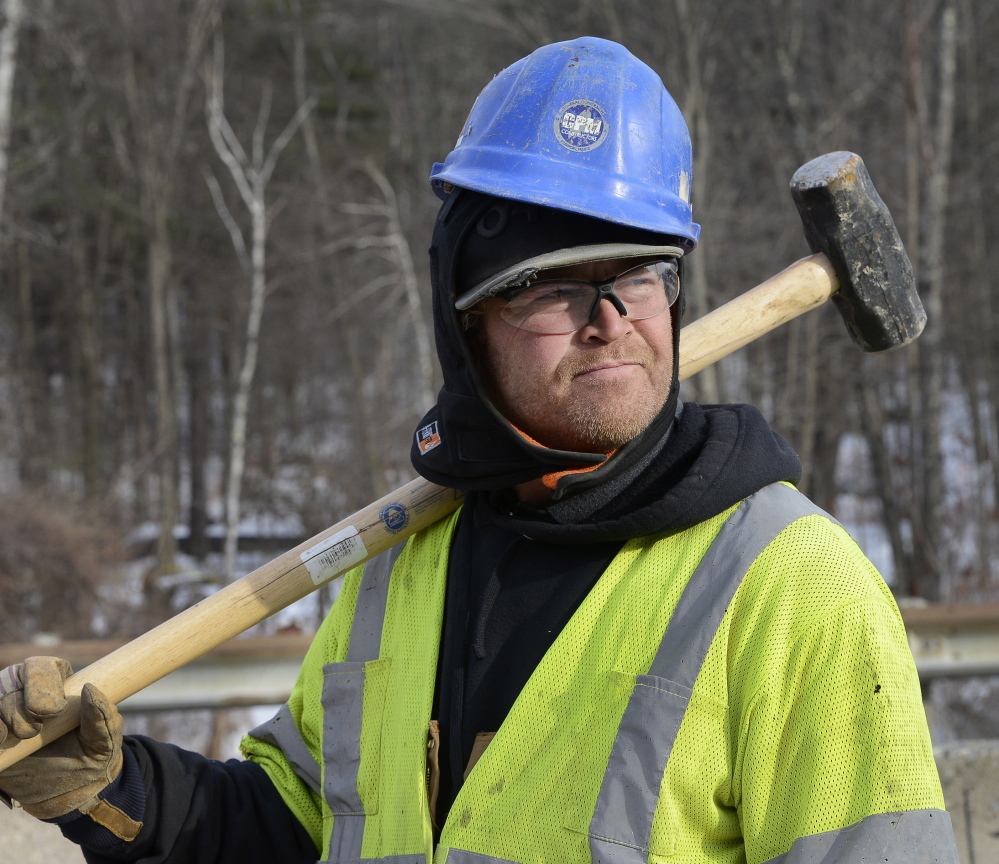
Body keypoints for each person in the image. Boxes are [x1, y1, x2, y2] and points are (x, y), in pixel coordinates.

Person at [0, 37, 959, 864]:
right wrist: (105, 786)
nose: (612, 321)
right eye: (551, 287)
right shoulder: (398, 570)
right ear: (465, 324)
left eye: (640, 272)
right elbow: (295, 830)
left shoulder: (794, 589)